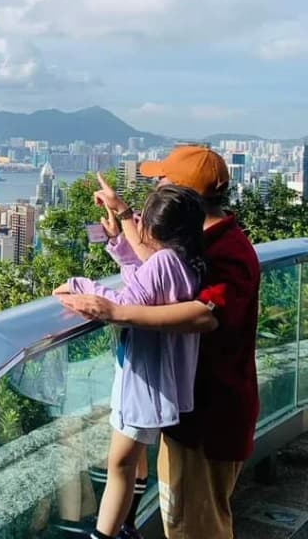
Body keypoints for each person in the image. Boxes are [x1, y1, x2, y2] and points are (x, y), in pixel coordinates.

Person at [59, 146, 261, 539]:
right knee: (182, 517)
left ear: (184, 194)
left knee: (195, 527)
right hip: (195, 407)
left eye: (163, 180)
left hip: (211, 416)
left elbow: (204, 315)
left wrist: (114, 311)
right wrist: (121, 215)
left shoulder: (226, 250)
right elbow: (156, 260)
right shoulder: (200, 242)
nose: (155, 184)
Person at [55, 185, 206, 539]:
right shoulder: (187, 260)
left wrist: (80, 286)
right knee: (132, 461)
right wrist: (120, 239)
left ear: (154, 232)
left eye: (142, 223)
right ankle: (128, 525)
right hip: (156, 378)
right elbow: (144, 280)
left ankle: (108, 533)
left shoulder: (167, 262)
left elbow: (125, 303)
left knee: (119, 464)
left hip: (143, 382)